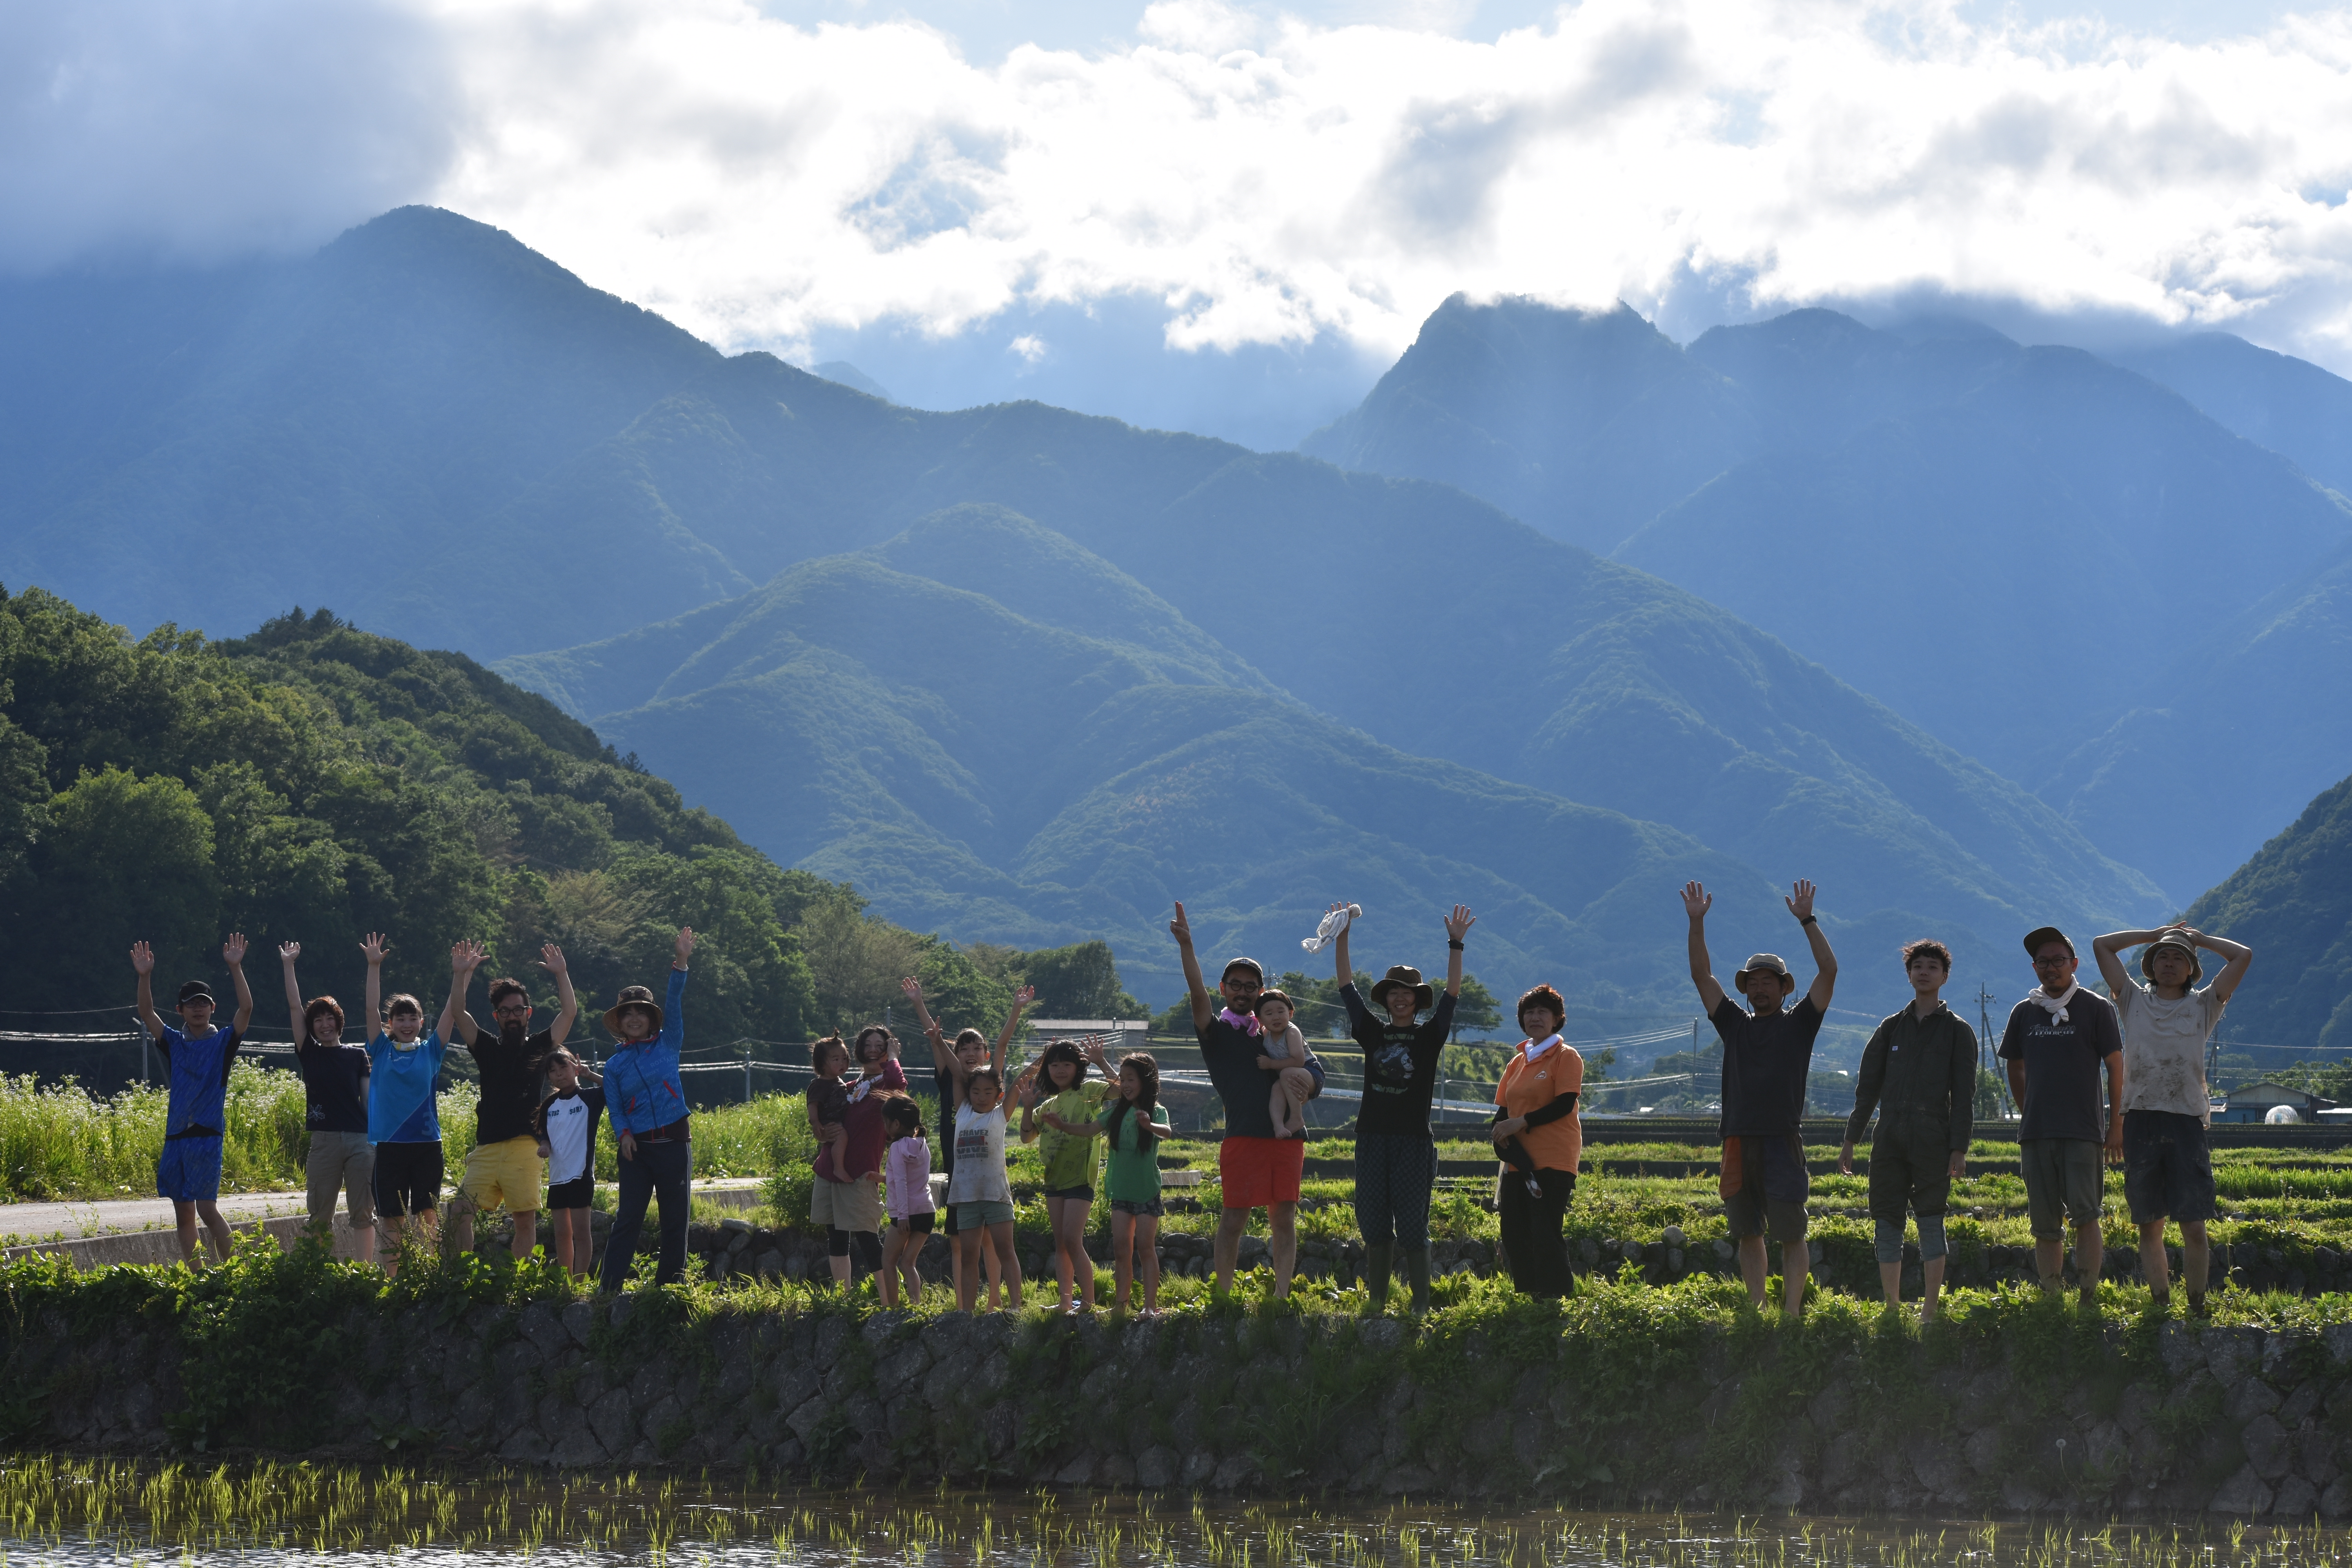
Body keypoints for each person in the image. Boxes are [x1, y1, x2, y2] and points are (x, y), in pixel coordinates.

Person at [1684, 878, 1837, 1318]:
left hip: (1781, 1140)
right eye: (1753, 982)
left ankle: (1790, 1313)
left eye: (1769, 982)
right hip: (1737, 1139)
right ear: (1746, 989)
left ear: (1784, 988)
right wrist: (1697, 924)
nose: (1760, 988)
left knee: (1791, 1232)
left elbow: (1829, 972)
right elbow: (1701, 975)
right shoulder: (1734, 1024)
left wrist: (1808, 920)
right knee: (1747, 1232)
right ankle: (1756, 1310)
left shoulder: (1801, 1023)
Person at [2093, 922, 2253, 1315]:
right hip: (2141, 1120)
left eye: (2178, 957)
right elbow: (2102, 946)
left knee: (2193, 1224)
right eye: (2162, 956)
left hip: (2186, 1121)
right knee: (2150, 1224)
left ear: (2191, 969)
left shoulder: (2204, 1004)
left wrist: (2198, 939)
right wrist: (2155, 935)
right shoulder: (2131, 998)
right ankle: (2161, 1304)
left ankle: (2197, 1306)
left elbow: (2243, 956)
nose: (2169, 963)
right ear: (2150, 964)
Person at [1168, 900, 1324, 1298]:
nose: (1242, 991)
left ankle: (1282, 1295)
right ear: (1224, 989)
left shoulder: (1276, 1030)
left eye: (1250, 986)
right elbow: (1195, 991)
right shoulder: (1215, 1033)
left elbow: (1314, 1070)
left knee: (1284, 1217)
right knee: (1234, 1217)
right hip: (1241, 1135)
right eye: (1234, 985)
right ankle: (1223, 1295)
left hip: (1286, 1137)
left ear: (1259, 992)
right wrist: (1188, 947)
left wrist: (1310, 1082)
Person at [1332, 903, 1475, 1316]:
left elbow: (1452, 992)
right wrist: (1342, 934)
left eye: (1406, 992)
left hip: (1413, 1142)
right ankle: (1377, 1303)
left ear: (1417, 1000)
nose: (1399, 997)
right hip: (1373, 1138)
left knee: (1413, 1227)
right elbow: (1346, 985)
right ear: (1386, 998)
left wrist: (1456, 944)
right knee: (1374, 1224)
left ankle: (1420, 1306)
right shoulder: (1372, 1033)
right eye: (1393, 991)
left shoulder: (1429, 1037)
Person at [1837, 940, 1977, 1320]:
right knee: (1887, 1221)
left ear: (1945, 977)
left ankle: (1930, 1308)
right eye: (1918, 966)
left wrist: (1958, 1148)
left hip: (1934, 1134)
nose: (1924, 972)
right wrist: (1851, 1139)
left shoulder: (1958, 1031)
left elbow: (1964, 1097)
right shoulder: (1890, 1029)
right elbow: (1867, 1090)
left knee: (1931, 1219)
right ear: (1909, 974)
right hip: (1890, 1134)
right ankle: (1892, 1308)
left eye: (1933, 967)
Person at [1999, 926, 2125, 1305]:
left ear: (2074, 964)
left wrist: (2117, 1125)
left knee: (2087, 1215)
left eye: (2058, 961)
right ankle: (2051, 1295)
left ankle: (2088, 1293)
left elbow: (2118, 1068)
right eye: (2043, 962)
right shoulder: (2024, 1012)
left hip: (2083, 1131)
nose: (2050, 967)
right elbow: (2015, 1068)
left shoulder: (2096, 1008)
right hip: (2037, 1133)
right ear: (2034, 967)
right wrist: (2028, 1111)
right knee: (2044, 1224)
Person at [445, 939, 579, 1261]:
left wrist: (561, 974)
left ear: (528, 1012)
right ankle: (457, 1278)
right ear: (497, 1016)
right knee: (459, 1212)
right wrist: (461, 974)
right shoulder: (486, 1046)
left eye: (518, 1010)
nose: (513, 1016)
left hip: (525, 1145)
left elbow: (569, 1012)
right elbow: (458, 1013)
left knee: (524, 1220)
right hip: (487, 1147)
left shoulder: (540, 1047)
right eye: (505, 1012)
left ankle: (518, 1284)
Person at [902, 976, 1030, 1307]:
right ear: (957, 1053)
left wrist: (1016, 1011)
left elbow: (1002, 1048)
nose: (971, 1054)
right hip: (961, 1176)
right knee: (963, 1245)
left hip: (990, 1182)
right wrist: (920, 1005)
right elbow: (938, 1044)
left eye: (977, 1048)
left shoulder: (991, 1091)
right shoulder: (958, 1087)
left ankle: (998, 1300)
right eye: (964, 1049)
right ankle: (965, 1305)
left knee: (996, 1244)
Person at [130, 935, 253, 1267]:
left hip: (207, 1134)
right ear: (180, 1009)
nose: (198, 1008)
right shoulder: (173, 1041)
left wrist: (235, 967)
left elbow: (246, 1009)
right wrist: (145, 976)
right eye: (191, 1004)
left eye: (204, 1003)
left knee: (206, 1208)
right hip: (176, 1136)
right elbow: (145, 1011)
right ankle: (198, 1277)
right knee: (183, 1212)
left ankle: (235, 1272)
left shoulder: (225, 1041)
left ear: (213, 1008)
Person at [598, 926, 697, 1293]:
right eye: (628, 1014)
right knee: (628, 1219)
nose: (636, 1018)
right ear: (620, 1023)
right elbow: (616, 1106)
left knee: (675, 1220)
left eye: (642, 1013)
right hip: (636, 1149)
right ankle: (608, 1290)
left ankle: (669, 1289)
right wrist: (623, 1134)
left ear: (651, 1019)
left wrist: (682, 961)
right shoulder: (615, 1066)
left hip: (673, 1142)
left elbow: (674, 1001)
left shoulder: (669, 1043)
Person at [365, 935, 460, 1274]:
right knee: (392, 1218)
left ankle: (429, 1277)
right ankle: (392, 1282)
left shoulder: (432, 1050)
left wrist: (460, 975)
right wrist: (374, 966)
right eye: (399, 1019)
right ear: (391, 1024)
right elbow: (370, 1009)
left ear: (422, 1022)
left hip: (426, 1145)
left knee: (428, 1216)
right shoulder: (380, 1049)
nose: (406, 1024)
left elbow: (453, 1011)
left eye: (412, 1018)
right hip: (390, 1147)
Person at [277, 941, 376, 1265]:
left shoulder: (358, 1055)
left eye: (329, 1018)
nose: (324, 1024)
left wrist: (377, 1138)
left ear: (338, 1022)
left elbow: (368, 1101)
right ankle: (320, 1271)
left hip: (360, 1140)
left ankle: (364, 1272)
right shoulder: (310, 1053)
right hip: (324, 1140)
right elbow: (294, 1008)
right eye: (317, 1020)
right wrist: (289, 966)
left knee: (363, 1210)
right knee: (319, 1211)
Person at [1492, 984, 1584, 1301]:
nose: (1535, 1017)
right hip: (1518, 1162)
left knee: (1545, 1229)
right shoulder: (1516, 1064)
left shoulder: (1565, 1057)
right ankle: (1531, 1294)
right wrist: (1502, 1132)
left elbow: (1564, 1104)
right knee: (1515, 1231)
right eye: (1529, 1012)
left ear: (1557, 1019)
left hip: (1554, 1159)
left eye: (1543, 1011)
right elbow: (1502, 1112)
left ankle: (1555, 1295)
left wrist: (1523, 1122)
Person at [1020, 1035, 1113, 1312]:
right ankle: (1064, 1302)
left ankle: (1088, 1302)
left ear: (1078, 1067)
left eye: (1067, 1064)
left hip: (1081, 1179)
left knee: (1073, 1239)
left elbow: (1125, 1090)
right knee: (1061, 1243)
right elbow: (1026, 1137)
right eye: (1055, 1065)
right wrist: (1027, 1107)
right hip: (1054, 1180)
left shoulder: (1090, 1090)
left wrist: (1101, 1061)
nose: (1060, 1070)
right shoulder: (1046, 1106)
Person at [833, 1025, 910, 1286]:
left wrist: (894, 1057)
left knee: (867, 1237)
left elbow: (900, 1085)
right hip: (837, 1170)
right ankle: (843, 1299)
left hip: (864, 1171)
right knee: (836, 1234)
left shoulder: (886, 1086)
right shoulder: (853, 1086)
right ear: (859, 1049)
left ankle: (890, 1302)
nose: (874, 1050)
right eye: (869, 1045)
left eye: (881, 1045)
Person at [1098, 1052, 1173, 1316]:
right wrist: (1061, 1124)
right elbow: (1088, 1129)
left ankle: (1150, 1307)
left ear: (1146, 1080)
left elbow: (1167, 1132)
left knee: (1145, 1248)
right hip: (1120, 1191)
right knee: (1121, 1249)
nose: (1126, 1084)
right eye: (1123, 1078)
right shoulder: (1116, 1114)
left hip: (1146, 1192)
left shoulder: (1156, 1111)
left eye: (1132, 1078)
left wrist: (1149, 1125)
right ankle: (1121, 1304)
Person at [949, 1064, 1024, 1311]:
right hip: (966, 1198)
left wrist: (1041, 1061)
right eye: (976, 1092)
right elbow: (955, 1070)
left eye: (988, 1092)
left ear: (998, 1095)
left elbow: (1018, 1084)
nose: (981, 1097)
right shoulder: (962, 1112)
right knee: (969, 1257)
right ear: (968, 1093)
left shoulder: (1000, 1115)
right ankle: (967, 1313)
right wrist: (937, 1040)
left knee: (1006, 1250)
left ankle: (1015, 1306)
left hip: (996, 1195)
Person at [535, 1048, 606, 1279]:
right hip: (557, 1178)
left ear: (575, 1068)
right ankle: (566, 1283)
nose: (559, 1074)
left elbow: (616, 1087)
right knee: (562, 1234)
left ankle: (580, 1282)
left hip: (580, 1175)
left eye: (564, 1067)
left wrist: (590, 1075)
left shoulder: (590, 1098)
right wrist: (545, 1145)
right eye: (553, 1071)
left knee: (581, 1233)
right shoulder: (549, 1105)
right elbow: (544, 1134)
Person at [879, 1094, 933, 1307]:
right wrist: (882, 1179)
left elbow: (901, 1183)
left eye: (886, 1123)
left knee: (888, 1261)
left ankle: (892, 1309)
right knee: (908, 1263)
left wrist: (902, 1217)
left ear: (896, 1124)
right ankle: (915, 1306)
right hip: (926, 1212)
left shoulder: (897, 1148)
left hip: (906, 1215)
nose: (885, 1127)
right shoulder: (922, 1145)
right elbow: (912, 1180)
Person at [1251, 992, 1318, 1140]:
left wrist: (1271, 1064)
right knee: (1277, 1087)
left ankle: (1297, 1118)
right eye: (1269, 1014)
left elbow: (1299, 1061)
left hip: (1310, 1072)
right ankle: (1278, 1126)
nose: (1276, 1017)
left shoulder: (1291, 1032)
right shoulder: (1266, 1032)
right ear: (1260, 1020)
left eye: (1281, 1012)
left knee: (1286, 1074)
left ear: (1291, 1014)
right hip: (1287, 1076)